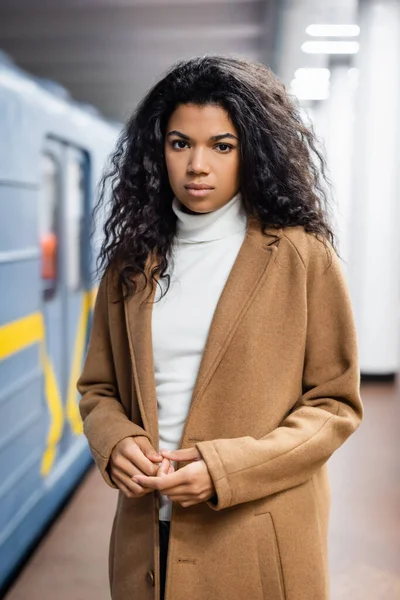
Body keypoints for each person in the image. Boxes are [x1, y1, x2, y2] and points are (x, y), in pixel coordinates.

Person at [77, 55, 363, 600]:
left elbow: (334, 406)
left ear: (252, 150)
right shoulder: (132, 263)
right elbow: (99, 388)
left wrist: (224, 468)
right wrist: (113, 441)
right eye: (180, 143)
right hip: (147, 542)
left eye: (222, 145)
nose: (197, 165)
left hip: (255, 539)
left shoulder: (300, 256)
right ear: (158, 150)